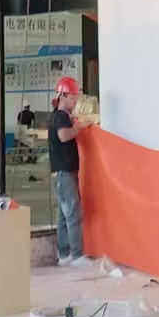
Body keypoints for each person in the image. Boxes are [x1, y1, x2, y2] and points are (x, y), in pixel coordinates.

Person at [48, 75, 91, 266]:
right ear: (64, 95)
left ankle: (64, 254)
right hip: (64, 172)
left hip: (62, 172)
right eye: (74, 96)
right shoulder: (60, 117)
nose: (76, 101)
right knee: (73, 213)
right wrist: (79, 127)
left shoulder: (61, 116)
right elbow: (64, 136)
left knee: (64, 215)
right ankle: (77, 255)